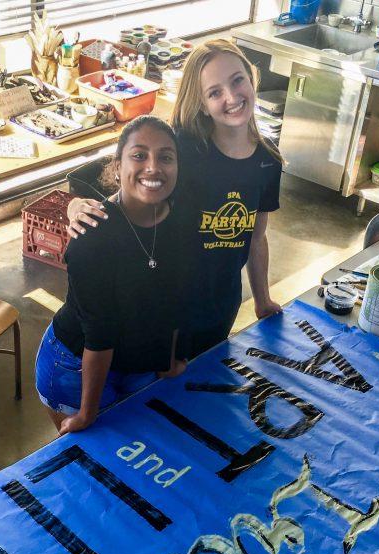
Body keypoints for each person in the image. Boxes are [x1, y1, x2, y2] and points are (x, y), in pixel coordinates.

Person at [67, 39, 283, 360]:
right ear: (202, 103)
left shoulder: (268, 160)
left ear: (252, 78)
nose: (231, 97)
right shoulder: (183, 148)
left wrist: (262, 300)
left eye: (237, 80)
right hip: (165, 303)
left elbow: (256, 236)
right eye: (214, 92)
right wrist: (76, 205)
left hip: (222, 303)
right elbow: (127, 182)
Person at [35, 116, 187, 434]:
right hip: (75, 368)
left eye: (165, 157)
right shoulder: (92, 236)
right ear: (117, 166)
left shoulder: (181, 224)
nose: (153, 167)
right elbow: (100, 333)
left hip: (138, 359)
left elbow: (174, 301)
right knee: (93, 462)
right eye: (139, 155)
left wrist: (167, 361)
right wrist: (87, 413)